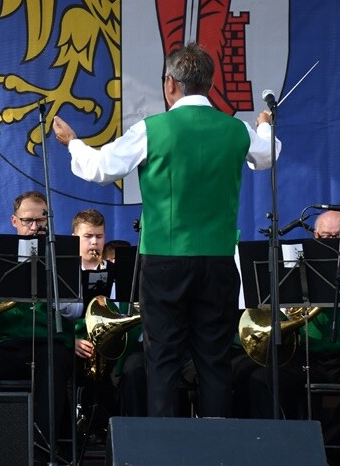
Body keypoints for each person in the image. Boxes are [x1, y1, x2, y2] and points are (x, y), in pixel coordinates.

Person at [54, 42, 276, 418]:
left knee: (163, 359)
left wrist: (73, 142)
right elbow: (268, 155)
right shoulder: (236, 130)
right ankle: (213, 452)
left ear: (170, 84)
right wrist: (265, 127)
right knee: (214, 361)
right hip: (219, 261)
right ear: (209, 84)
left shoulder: (151, 129)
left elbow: (100, 168)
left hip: (164, 263)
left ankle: (164, 451)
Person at [247, 211, 340, 466]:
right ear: (316, 236)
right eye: (326, 237)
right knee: (262, 379)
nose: (333, 244)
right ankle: (282, 453)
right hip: (313, 354)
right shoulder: (302, 267)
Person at [0, 190, 76, 446]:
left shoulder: (63, 254)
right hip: (7, 344)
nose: (34, 227)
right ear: (14, 221)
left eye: (41, 221)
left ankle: (45, 449)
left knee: (53, 364)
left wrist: (59, 296)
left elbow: (76, 312)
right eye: (27, 221)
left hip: (49, 343)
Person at [72, 209, 146, 421]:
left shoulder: (119, 272)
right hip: (78, 346)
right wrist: (72, 340)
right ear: (74, 238)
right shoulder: (64, 271)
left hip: (115, 349)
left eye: (99, 236)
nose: (94, 242)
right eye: (87, 237)